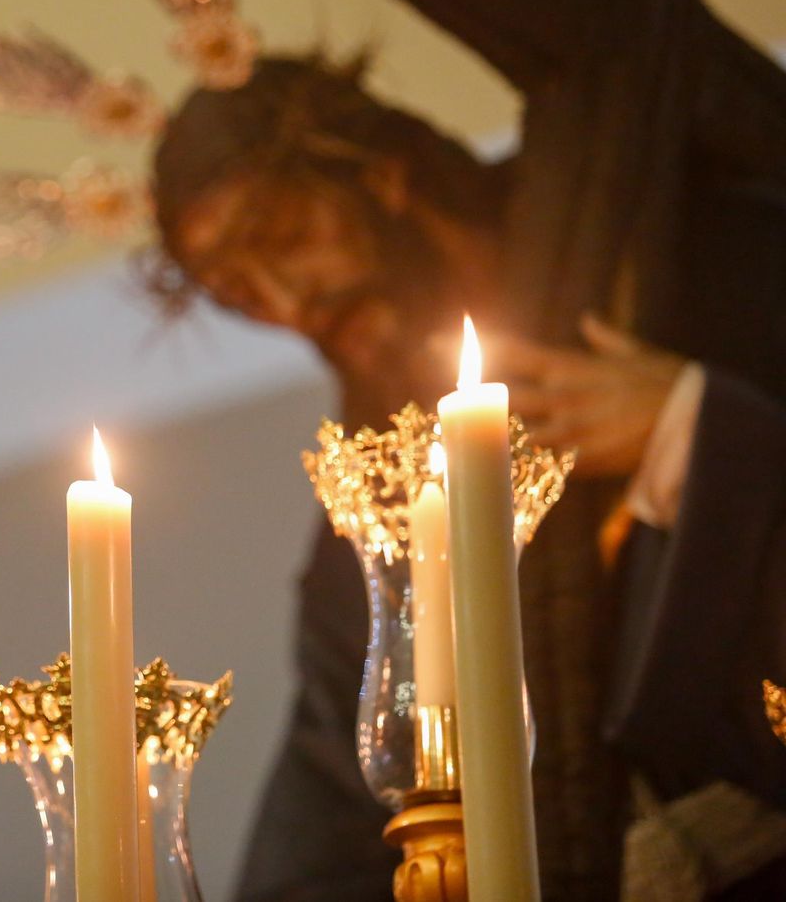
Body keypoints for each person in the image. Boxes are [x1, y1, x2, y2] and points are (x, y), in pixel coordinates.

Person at [145, 52, 786, 900]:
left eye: (282, 239)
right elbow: (323, 858)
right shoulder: (370, 535)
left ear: (385, 175)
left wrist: (695, 426)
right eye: (239, 294)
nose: (289, 305)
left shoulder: (724, 269)